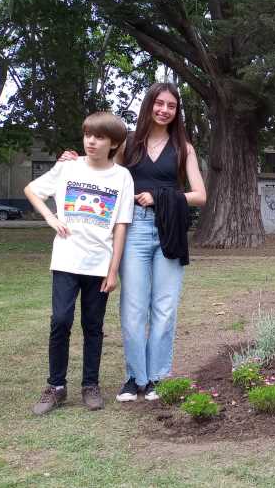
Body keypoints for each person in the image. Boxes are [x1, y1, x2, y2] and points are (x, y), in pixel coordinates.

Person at [61, 83, 206, 402]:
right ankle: (134, 378)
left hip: (169, 229)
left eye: (171, 105)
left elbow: (200, 195)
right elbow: (102, 169)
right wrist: (74, 160)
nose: (164, 110)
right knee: (133, 308)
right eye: (159, 103)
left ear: (177, 111)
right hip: (134, 229)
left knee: (165, 307)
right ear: (149, 105)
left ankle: (157, 378)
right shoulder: (129, 142)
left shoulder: (184, 148)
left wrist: (160, 197)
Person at [25, 112, 134, 415]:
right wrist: (50, 218)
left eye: (99, 137)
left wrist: (113, 270)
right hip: (66, 260)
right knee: (60, 321)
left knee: (93, 326)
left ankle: (90, 385)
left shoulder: (122, 177)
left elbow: (121, 226)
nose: (91, 141)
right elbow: (32, 190)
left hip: (99, 264)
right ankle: (56, 387)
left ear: (114, 143)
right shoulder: (68, 167)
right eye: (88, 135)